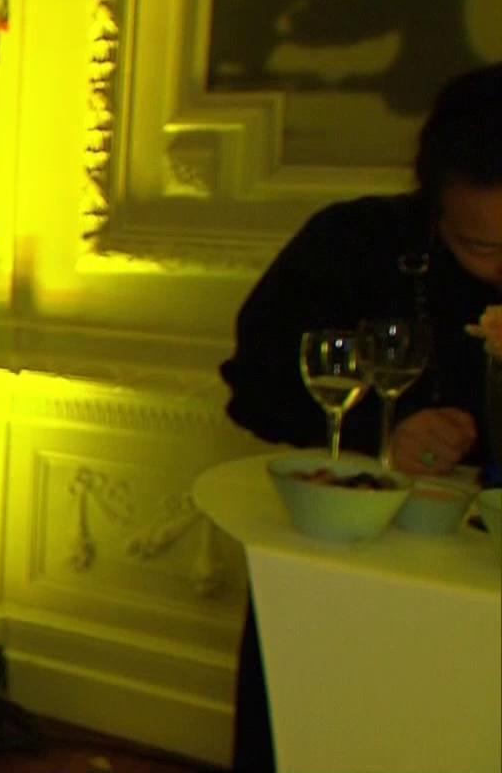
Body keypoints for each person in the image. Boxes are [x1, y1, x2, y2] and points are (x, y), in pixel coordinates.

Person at [219, 62, 502, 772]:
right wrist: (383, 433)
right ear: (434, 202)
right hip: (345, 585)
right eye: (481, 248)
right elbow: (255, 386)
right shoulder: (353, 244)